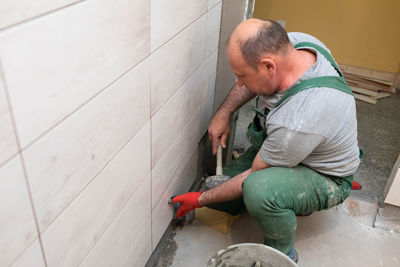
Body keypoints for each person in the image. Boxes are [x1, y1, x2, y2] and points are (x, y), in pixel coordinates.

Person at [171, 18, 360, 262]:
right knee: (225, 200)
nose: (239, 83)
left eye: (242, 76)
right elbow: (255, 79)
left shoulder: (299, 118)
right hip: (294, 144)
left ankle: (282, 255)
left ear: (269, 66)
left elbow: (252, 177)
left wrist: (199, 199)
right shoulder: (295, 44)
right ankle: (285, 192)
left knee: (258, 190)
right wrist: (223, 112)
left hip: (325, 174)